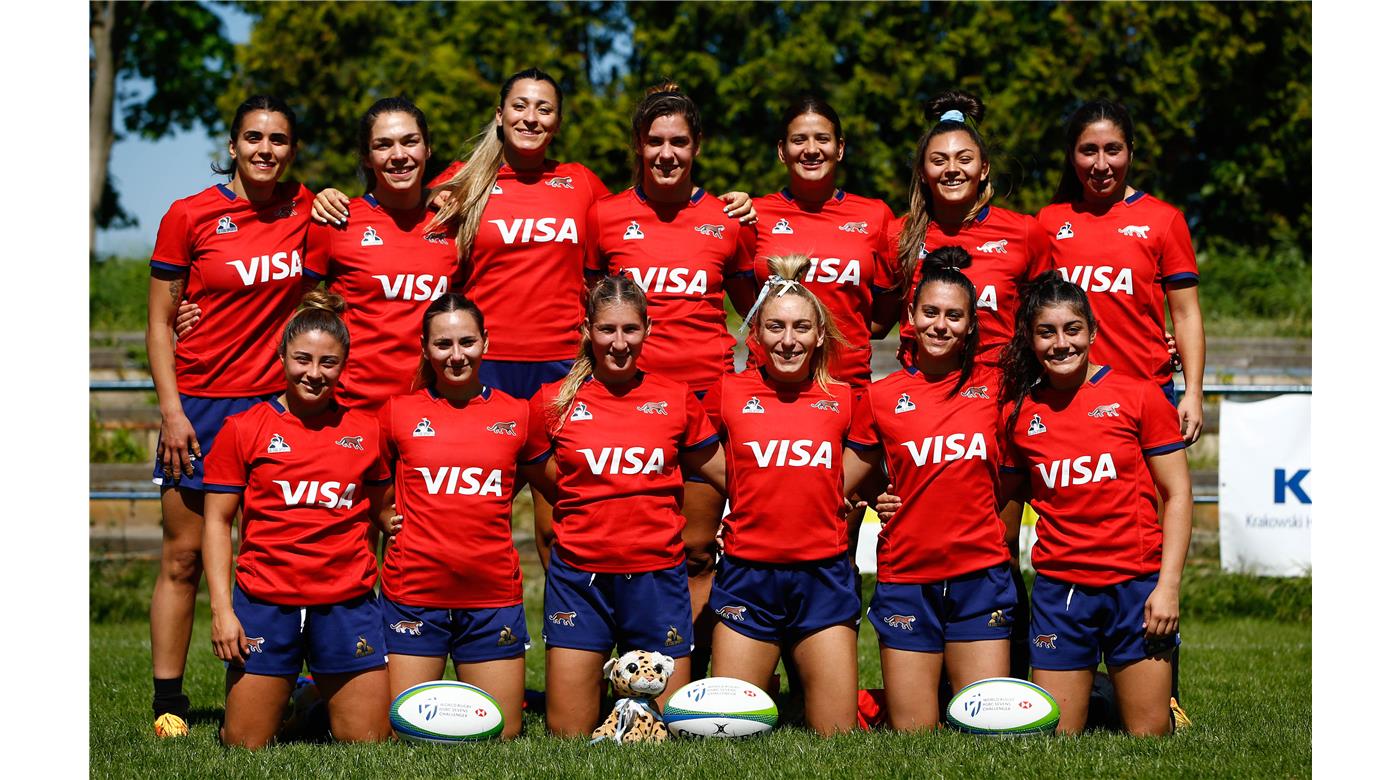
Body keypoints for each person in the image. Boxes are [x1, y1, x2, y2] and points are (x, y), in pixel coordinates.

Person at [145, 95, 313, 737]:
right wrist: (171, 410)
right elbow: (161, 320)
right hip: (199, 409)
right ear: (234, 144)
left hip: (277, 408)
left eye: (278, 139)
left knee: (277, 550)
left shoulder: (308, 209)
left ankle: (286, 681)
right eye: (253, 138)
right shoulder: (188, 215)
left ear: (292, 149)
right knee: (184, 555)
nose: (265, 150)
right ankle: (168, 700)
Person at [588, 81, 758, 662]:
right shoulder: (606, 216)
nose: (667, 153)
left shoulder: (727, 219)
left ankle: (693, 667)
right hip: (623, 408)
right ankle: (617, 668)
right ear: (638, 144)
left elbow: (755, 303)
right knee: (620, 550)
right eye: (656, 141)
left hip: (704, 402)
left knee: (695, 547)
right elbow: (590, 303)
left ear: (698, 146)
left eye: (679, 142)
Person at [522, 274, 726, 737]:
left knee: (676, 729)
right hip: (580, 582)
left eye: (630, 330)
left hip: (656, 579)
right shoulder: (553, 402)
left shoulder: (675, 399)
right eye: (607, 330)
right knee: (568, 733)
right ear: (587, 331)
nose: (618, 343)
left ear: (648, 329)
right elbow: (541, 474)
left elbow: (728, 475)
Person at [997, 272, 1191, 736]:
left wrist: (1167, 588)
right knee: (1057, 737)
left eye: (1072, 330)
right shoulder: (1019, 413)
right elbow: (999, 505)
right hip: (1061, 592)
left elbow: (1178, 494)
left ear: (1092, 332)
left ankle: (1123, 694)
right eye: (1046, 332)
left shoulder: (1138, 395)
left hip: (1135, 588)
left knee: (1149, 737)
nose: (1061, 343)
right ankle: (1101, 692)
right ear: (1030, 338)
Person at [176, 97, 460, 409]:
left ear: (428, 148)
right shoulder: (337, 221)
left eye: (410, 142)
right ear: (366, 157)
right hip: (349, 411)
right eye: (383, 145)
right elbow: (283, 301)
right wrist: (198, 311)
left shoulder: (455, 222)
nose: (399, 155)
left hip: (431, 410)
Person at [201, 291, 394, 749]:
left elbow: (384, 509)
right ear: (282, 355)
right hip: (266, 601)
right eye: (302, 359)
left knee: (367, 741)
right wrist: (222, 612)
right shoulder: (244, 428)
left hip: (346, 602)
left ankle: (310, 700)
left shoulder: (365, 430)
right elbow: (216, 524)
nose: (314, 373)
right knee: (243, 744)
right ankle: (304, 695)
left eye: (328, 362)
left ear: (344, 364)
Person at [846, 247, 1019, 731]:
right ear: (911, 317)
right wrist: (879, 491)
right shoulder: (880, 397)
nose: (941, 325)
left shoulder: (1000, 388)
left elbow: (1029, 461)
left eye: (954, 316)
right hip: (906, 578)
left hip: (979, 575)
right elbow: (848, 477)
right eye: (931, 313)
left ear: (971, 325)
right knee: (914, 735)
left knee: (987, 730)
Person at [374, 294, 550, 739]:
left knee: (502, 733)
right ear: (425, 347)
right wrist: (382, 514)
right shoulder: (397, 411)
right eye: (443, 344)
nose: (456, 355)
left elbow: (547, 480)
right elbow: (367, 480)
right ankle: (315, 696)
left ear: (485, 342)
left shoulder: (517, 413)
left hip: (490, 595)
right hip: (414, 592)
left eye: (467, 342)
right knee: (400, 729)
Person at [703, 255, 861, 735]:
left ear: (819, 336)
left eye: (800, 328)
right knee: (724, 730)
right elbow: (694, 456)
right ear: (756, 335)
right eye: (775, 326)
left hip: (824, 578)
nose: (787, 340)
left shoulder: (848, 398)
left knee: (836, 737)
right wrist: (748, 492)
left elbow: (878, 468)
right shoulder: (727, 392)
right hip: (747, 577)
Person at [1035, 98, 1205, 444]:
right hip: (1070, 396)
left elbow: (1186, 315)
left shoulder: (1164, 220)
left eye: (1113, 150)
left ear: (1131, 151)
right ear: (1071, 155)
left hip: (1146, 392)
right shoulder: (1048, 221)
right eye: (1089, 151)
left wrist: (1194, 392)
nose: (1101, 164)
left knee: (1158, 498)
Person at [890, 90, 1053, 368]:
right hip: (921, 396)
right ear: (921, 172)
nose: (952, 169)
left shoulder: (1025, 232)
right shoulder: (898, 234)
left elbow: (1045, 317)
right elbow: (879, 321)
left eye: (964, 159)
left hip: (998, 394)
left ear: (984, 167)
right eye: (939, 160)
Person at [750, 97, 899, 388]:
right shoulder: (754, 214)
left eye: (822, 139)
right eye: (799, 140)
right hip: (768, 390)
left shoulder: (876, 215)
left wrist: (849, 336)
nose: (811, 150)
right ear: (782, 151)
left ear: (839, 148)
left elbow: (885, 310)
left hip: (849, 387)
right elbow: (747, 303)